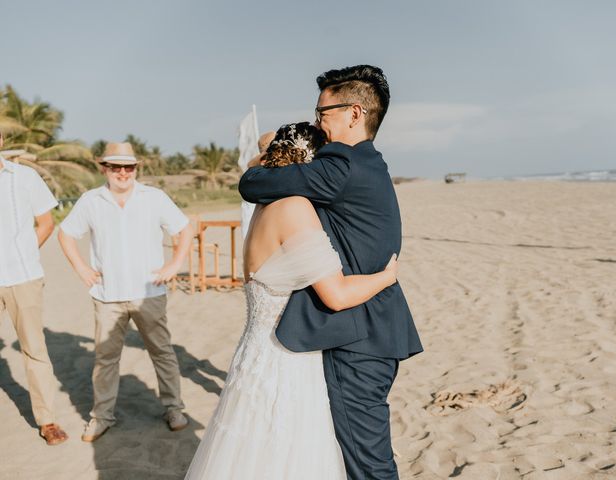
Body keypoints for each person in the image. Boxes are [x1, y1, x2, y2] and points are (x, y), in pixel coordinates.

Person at [185, 122, 398, 480]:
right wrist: (386, 276)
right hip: (287, 359)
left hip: (253, 353)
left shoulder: (263, 207)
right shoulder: (295, 208)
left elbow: (260, 156)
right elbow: (336, 295)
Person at [239, 66, 423, 479]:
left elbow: (253, 184)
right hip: (374, 330)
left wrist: (259, 163)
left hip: (357, 337)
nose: (319, 122)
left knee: (368, 466)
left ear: (355, 113)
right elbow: (277, 146)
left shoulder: (340, 166)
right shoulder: (367, 163)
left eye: (324, 112)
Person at [57, 142, 193, 442]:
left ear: (136, 168)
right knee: (106, 359)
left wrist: (174, 264)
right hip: (107, 295)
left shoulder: (154, 197)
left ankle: (173, 408)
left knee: (162, 352)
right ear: (103, 167)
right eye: (115, 166)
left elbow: (184, 229)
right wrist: (81, 268)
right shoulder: (91, 200)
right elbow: (65, 233)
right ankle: (101, 417)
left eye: (127, 167)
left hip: (149, 293)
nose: (122, 172)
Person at [0, 131, 69, 445]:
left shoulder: (23, 176)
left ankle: (47, 420)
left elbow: (46, 222)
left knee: (34, 350)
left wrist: (26, 254)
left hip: (22, 277)